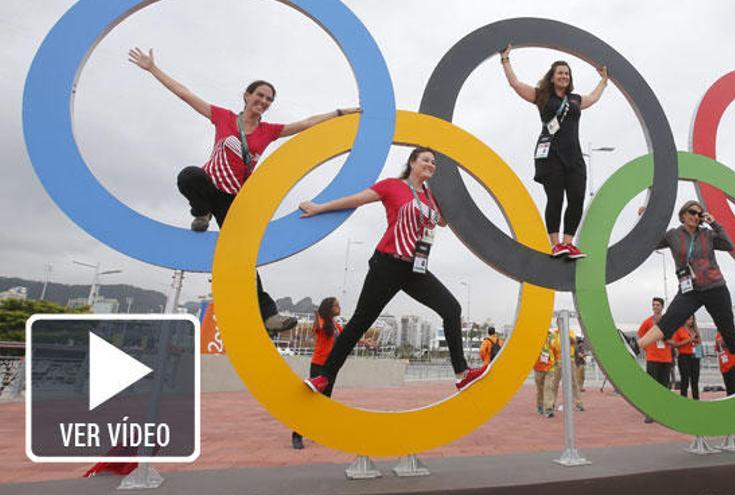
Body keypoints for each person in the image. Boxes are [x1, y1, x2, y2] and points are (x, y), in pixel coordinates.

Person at [128, 47, 358, 333]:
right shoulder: (223, 117)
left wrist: (339, 113)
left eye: (269, 99)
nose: (263, 101)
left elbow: (306, 124)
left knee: (244, 257)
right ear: (247, 96)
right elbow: (184, 93)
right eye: (259, 95)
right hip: (210, 186)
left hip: (236, 202)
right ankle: (201, 213)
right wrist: (153, 69)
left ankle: (268, 314)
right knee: (189, 176)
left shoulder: (268, 131)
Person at [298, 148, 488, 394]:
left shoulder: (431, 198)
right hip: (387, 263)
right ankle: (324, 377)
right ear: (412, 162)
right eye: (426, 160)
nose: (431, 164)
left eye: (434, 162)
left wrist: (448, 192)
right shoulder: (392, 186)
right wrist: (319, 208)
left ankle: (461, 374)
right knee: (360, 322)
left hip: (416, 269)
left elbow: (442, 221)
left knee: (452, 309)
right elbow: (356, 199)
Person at [500, 44, 609, 259]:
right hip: (550, 156)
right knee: (556, 199)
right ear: (552, 77)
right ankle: (555, 244)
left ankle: (569, 244)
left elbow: (593, 98)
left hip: (574, 157)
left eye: (567, 73)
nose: (564, 76)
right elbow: (515, 83)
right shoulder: (541, 96)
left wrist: (603, 81)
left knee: (577, 198)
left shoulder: (575, 100)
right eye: (560, 73)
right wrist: (505, 60)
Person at [636, 201, 735, 393]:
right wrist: (645, 220)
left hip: (715, 287)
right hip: (689, 289)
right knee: (670, 320)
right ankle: (637, 345)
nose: (696, 216)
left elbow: (728, 244)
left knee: (728, 331)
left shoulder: (707, 234)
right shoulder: (673, 235)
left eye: (699, 214)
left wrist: (714, 224)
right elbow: (649, 242)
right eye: (692, 212)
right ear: (683, 215)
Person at [291, 297, 343, 450]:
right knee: (312, 402)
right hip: (319, 367)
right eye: (336, 305)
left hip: (331, 367)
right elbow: (317, 327)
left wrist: (365, 342)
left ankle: (318, 432)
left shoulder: (336, 325)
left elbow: (347, 338)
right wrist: (316, 316)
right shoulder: (322, 322)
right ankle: (297, 435)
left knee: (325, 401)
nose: (339, 307)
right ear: (329, 308)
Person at [638, 297, 674, 422]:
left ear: (662, 307)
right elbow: (641, 336)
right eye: (654, 305)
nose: (655, 307)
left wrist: (668, 340)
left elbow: (674, 339)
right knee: (652, 386)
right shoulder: (647, 322)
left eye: (658, 305)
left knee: (664, 386)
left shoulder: (667, 321)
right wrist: (647, 348)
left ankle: (663, 412)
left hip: (666, 358)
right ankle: (650, 413)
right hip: (652, 358)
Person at [672, 315, 701, 400]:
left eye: (692, 319)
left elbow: (699, 343)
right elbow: (675, 344)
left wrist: (696, 340)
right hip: (684, 356)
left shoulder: (694, 330)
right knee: (685, 379)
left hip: (695, 356)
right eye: (688, 319)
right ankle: (683, 399)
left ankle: (696, 400)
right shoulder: (679, 330)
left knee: (695, 380)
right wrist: (689, 340)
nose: (690, 321)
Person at [533, 328, 560, 416]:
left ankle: (549, 408)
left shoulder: (553, 338)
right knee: (540, 389)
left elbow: (556, 351)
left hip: (550, 367)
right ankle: (540, 406)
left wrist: (557, 362)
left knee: (549, 387)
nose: (547, 334)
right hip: (538, 367)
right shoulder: (536, 339)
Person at [716, 331, 735, 396]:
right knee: (728, 385)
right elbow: (718, 349)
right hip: (724, 364)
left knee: (734, 385)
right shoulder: (718, 335)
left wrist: (723, 341)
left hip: (733, 362)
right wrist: (719, 344)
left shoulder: (731, 332)